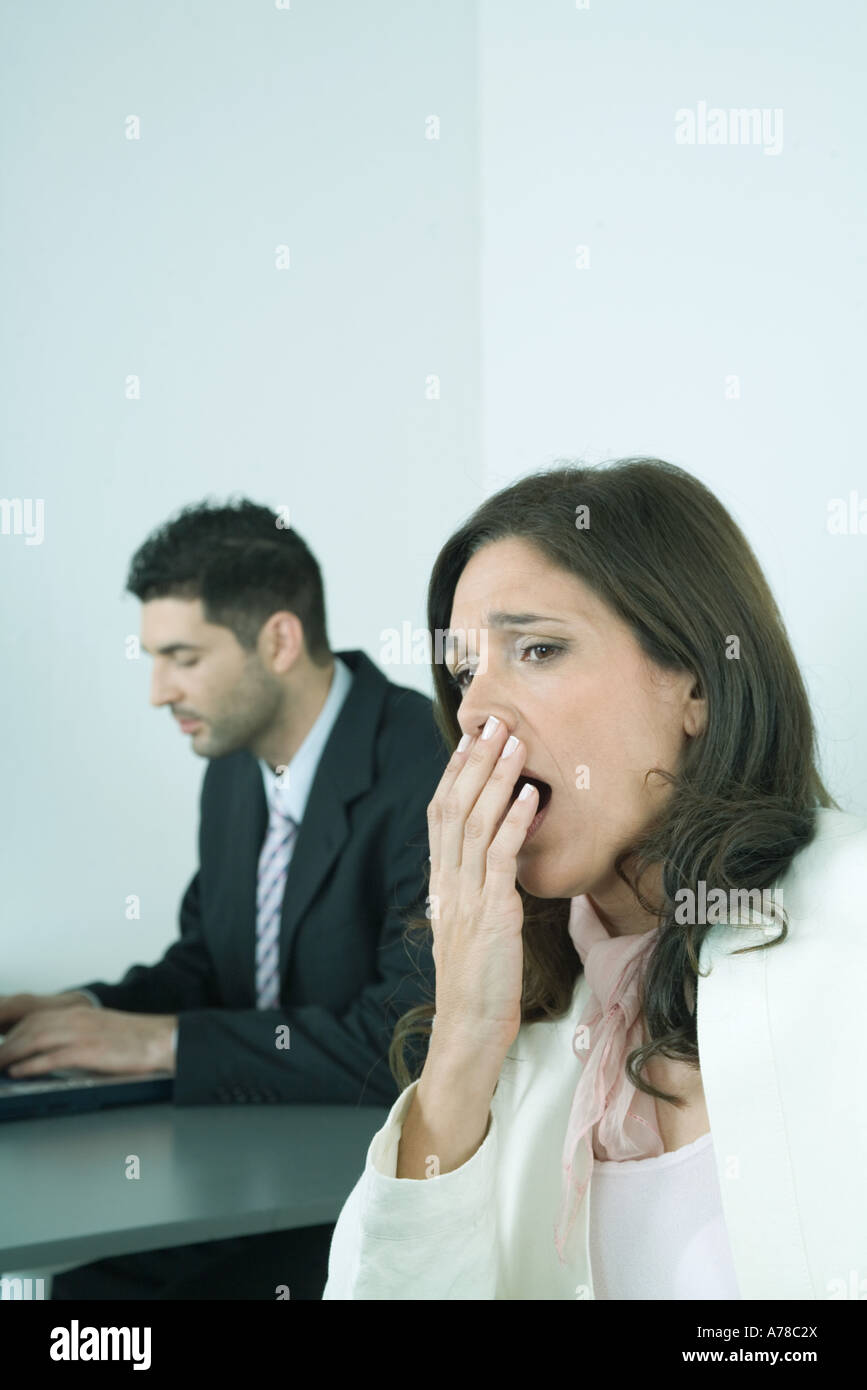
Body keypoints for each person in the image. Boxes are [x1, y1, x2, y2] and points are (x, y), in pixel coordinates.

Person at [322, 456, 867, 1300]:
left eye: (536, 648)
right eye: (463, 673)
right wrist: (465, 1037)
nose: (473, 711)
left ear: (696, 685)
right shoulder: (522, 1024)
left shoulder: (851, 922)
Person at [0, 499, 447, 1299]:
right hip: (251, 1160)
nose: (157, 691)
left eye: (182, 656)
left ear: (278, 639)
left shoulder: (423, 767)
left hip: (368, 1191)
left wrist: (159, 1045)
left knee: (98, 1300)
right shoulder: (235, 766)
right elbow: (209, 963)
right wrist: (72, 1008)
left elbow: (408, 1043)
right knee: (82, 1290)